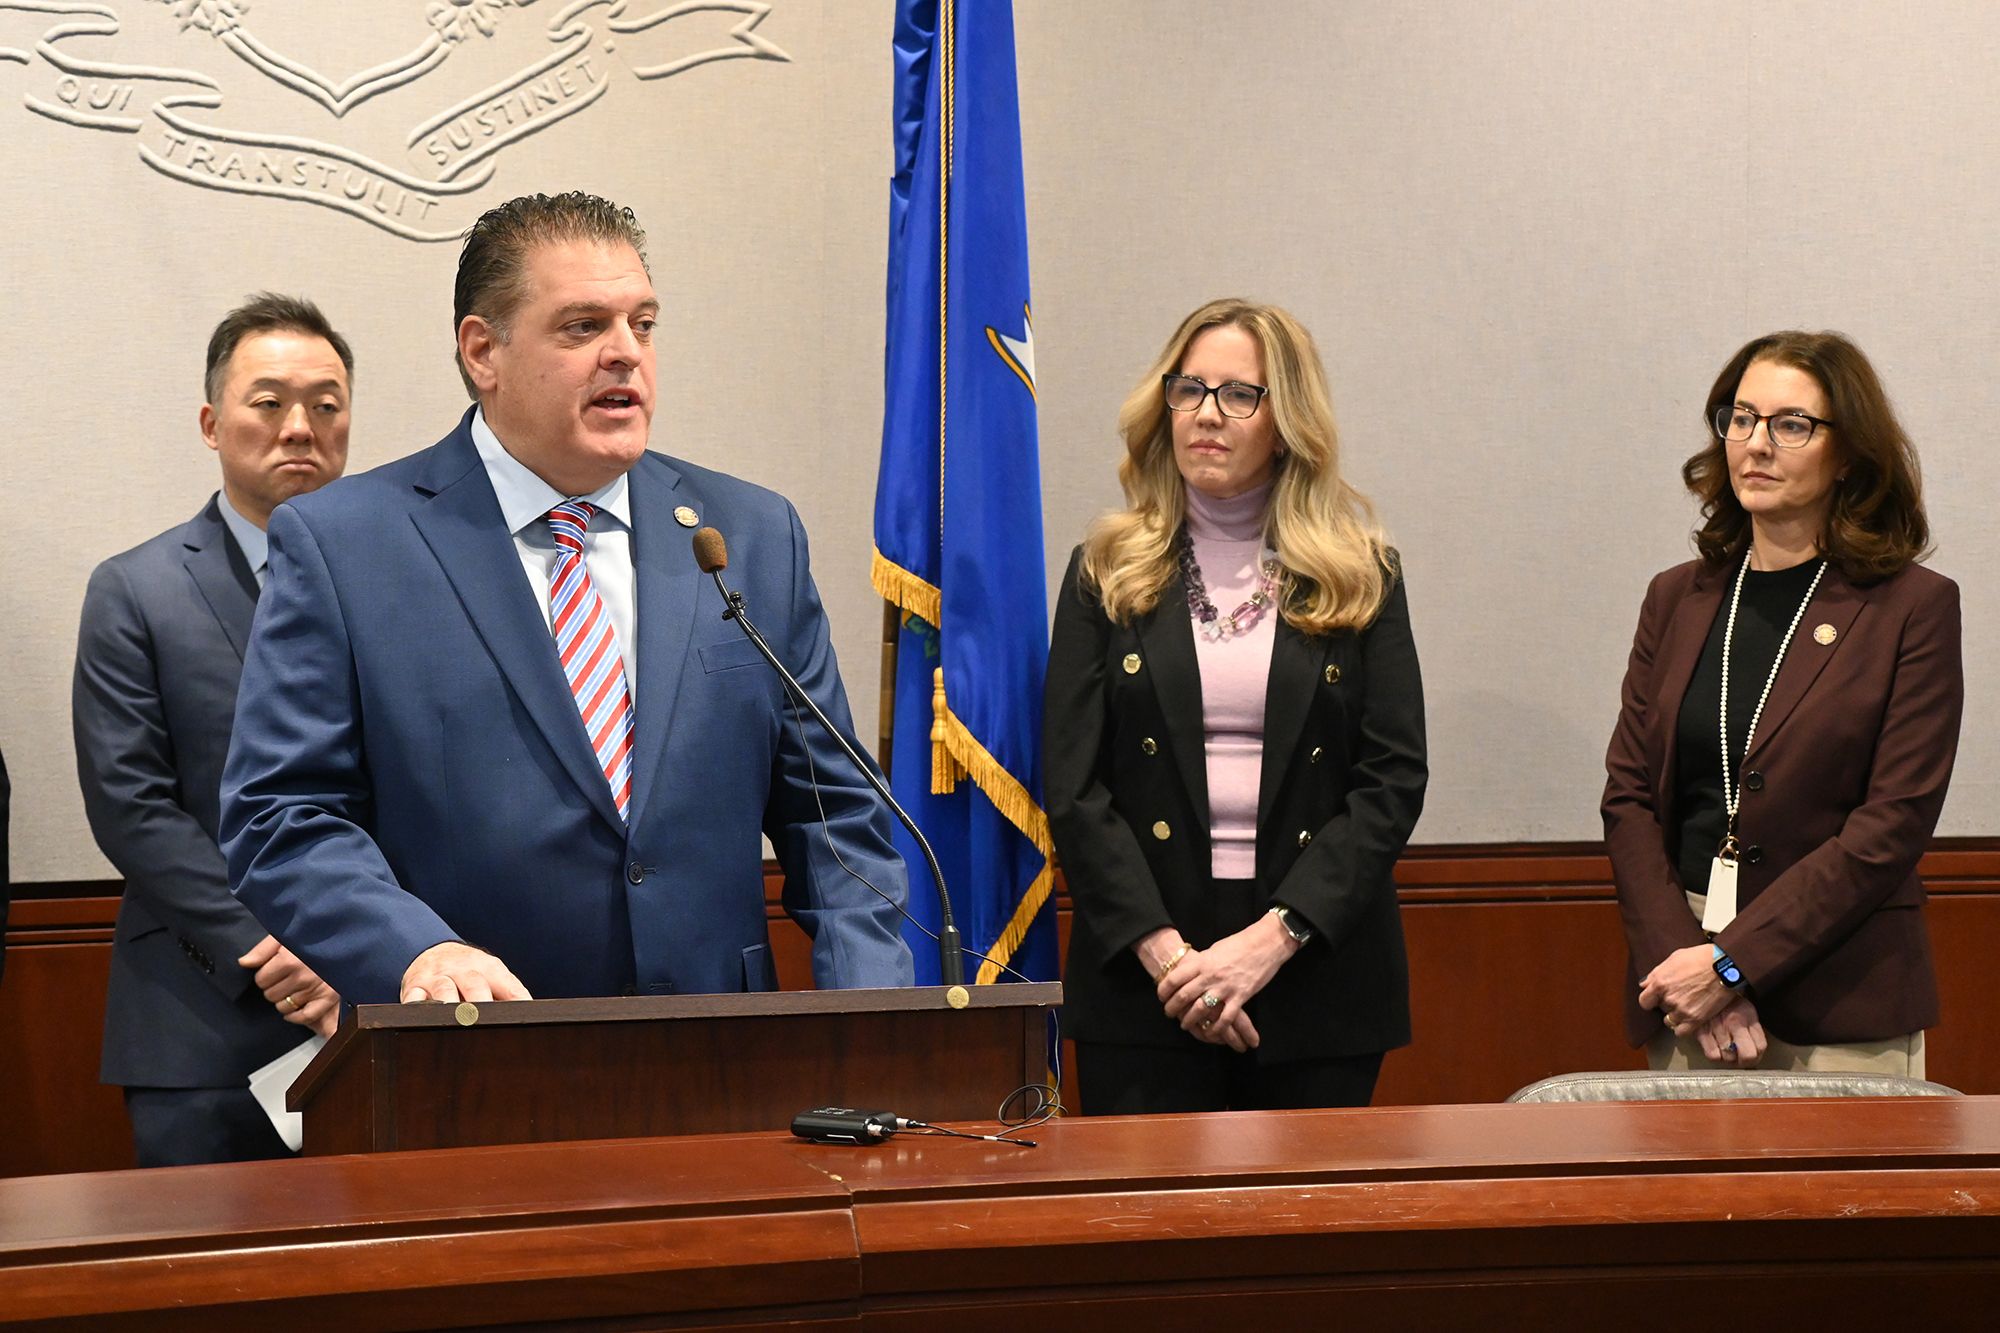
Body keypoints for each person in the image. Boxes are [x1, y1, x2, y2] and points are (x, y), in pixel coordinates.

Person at [221, 191, 912, 1008]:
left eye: (643, 324)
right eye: (584, 326)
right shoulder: (347, 545)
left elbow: (835, 819)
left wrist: (877, 1017)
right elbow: (282, 815)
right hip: (479, 1046)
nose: (626, 354)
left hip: (718, 1049)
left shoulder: (749, 536)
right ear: (483, 351)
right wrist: (417, 950)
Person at [1045, 298, 1427, 1114]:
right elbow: (1073, 786)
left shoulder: (1361, 574)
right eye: (1188, 389)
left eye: (1238, 394)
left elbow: (1392, 780)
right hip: (1145, 979)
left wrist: (1268, 943)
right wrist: (1172, 961)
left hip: (1314, 971)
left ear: (1286, 423)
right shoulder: (1104, 570)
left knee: (1305, 1203)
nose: (1207, 414)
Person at [1603, 330, 1961, 1076]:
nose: (1757, 444)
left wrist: (1734, 965)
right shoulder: (1676, 598)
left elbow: (1892, 824)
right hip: (1684, 994)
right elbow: (1629, 795)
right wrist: (1689, 964)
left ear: (1849, 455)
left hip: (1842, 999)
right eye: (1742, 418)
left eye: (1791, 424)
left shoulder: (1911, 607)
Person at [73, 294, 350, 1166]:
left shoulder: (398, 585)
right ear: (211, 423)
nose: (299, 427)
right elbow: (131, 805)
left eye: (327, 404)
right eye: (269, 402)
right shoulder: (136, 589)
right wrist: (267, 952)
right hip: (202, 1019)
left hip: (376, 1002)